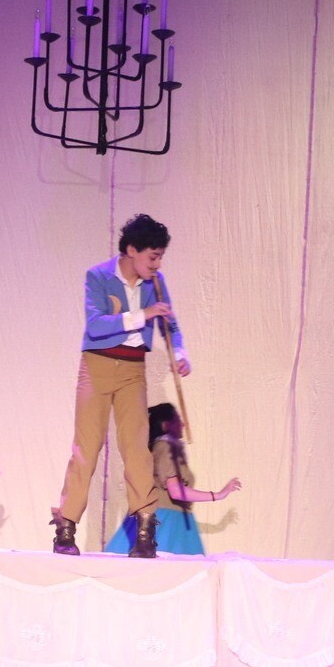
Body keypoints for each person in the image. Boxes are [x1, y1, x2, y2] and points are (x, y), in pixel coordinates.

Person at [51, 213, 189, 559]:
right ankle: (66, 527)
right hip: (97, 366)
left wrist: (179, 353)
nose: (157, 265)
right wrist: (144, 315)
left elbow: (170, 324)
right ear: (131, 250)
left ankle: (145, 529)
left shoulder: (155, 283)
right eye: (152, 257)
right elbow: (96, 325)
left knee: (137, 449)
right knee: (87, 447)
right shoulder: (98, 276)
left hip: (132, 369)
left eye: (160, 257)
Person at [100, 403, 239, 555]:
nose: (182, 424)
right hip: (166, 519)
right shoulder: (165, 447)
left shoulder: (168, 448)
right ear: (166, 425)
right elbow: (176, 491)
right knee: (164, 565)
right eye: (177, 420)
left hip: (177, 519)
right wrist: (218, 495)